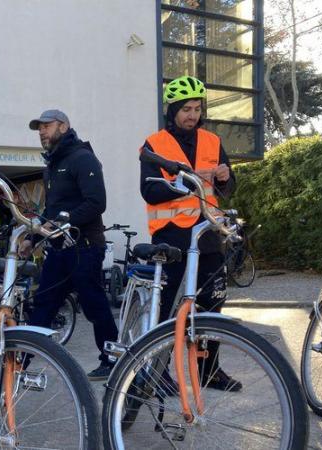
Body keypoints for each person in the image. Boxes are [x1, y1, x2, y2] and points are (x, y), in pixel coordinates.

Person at [140, 75, 240, 391]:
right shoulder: (155, 144)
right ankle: (157, 372)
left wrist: (224, 178)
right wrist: (186, 181)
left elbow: (228, 189)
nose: (192, 115)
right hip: (171, 237)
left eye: (197, 108)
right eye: (185, 109)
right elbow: (149, 191)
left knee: (212, 305)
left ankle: (208, 371)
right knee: (168, 306)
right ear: (173, 111)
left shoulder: (212, 141)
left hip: (209, 234)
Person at [21, 109, 119, 381]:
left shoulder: (82, 158)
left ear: (63, 126)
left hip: (85, 247)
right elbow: (51, 212)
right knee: (43, 304)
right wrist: (32, 238)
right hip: (59, 250)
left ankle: (112, 360)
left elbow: (97, 203)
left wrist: (63, 224)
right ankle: (20, 363)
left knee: (94, 305)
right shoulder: (51, 166)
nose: (42, 131)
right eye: (38, 128)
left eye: (46, 126)